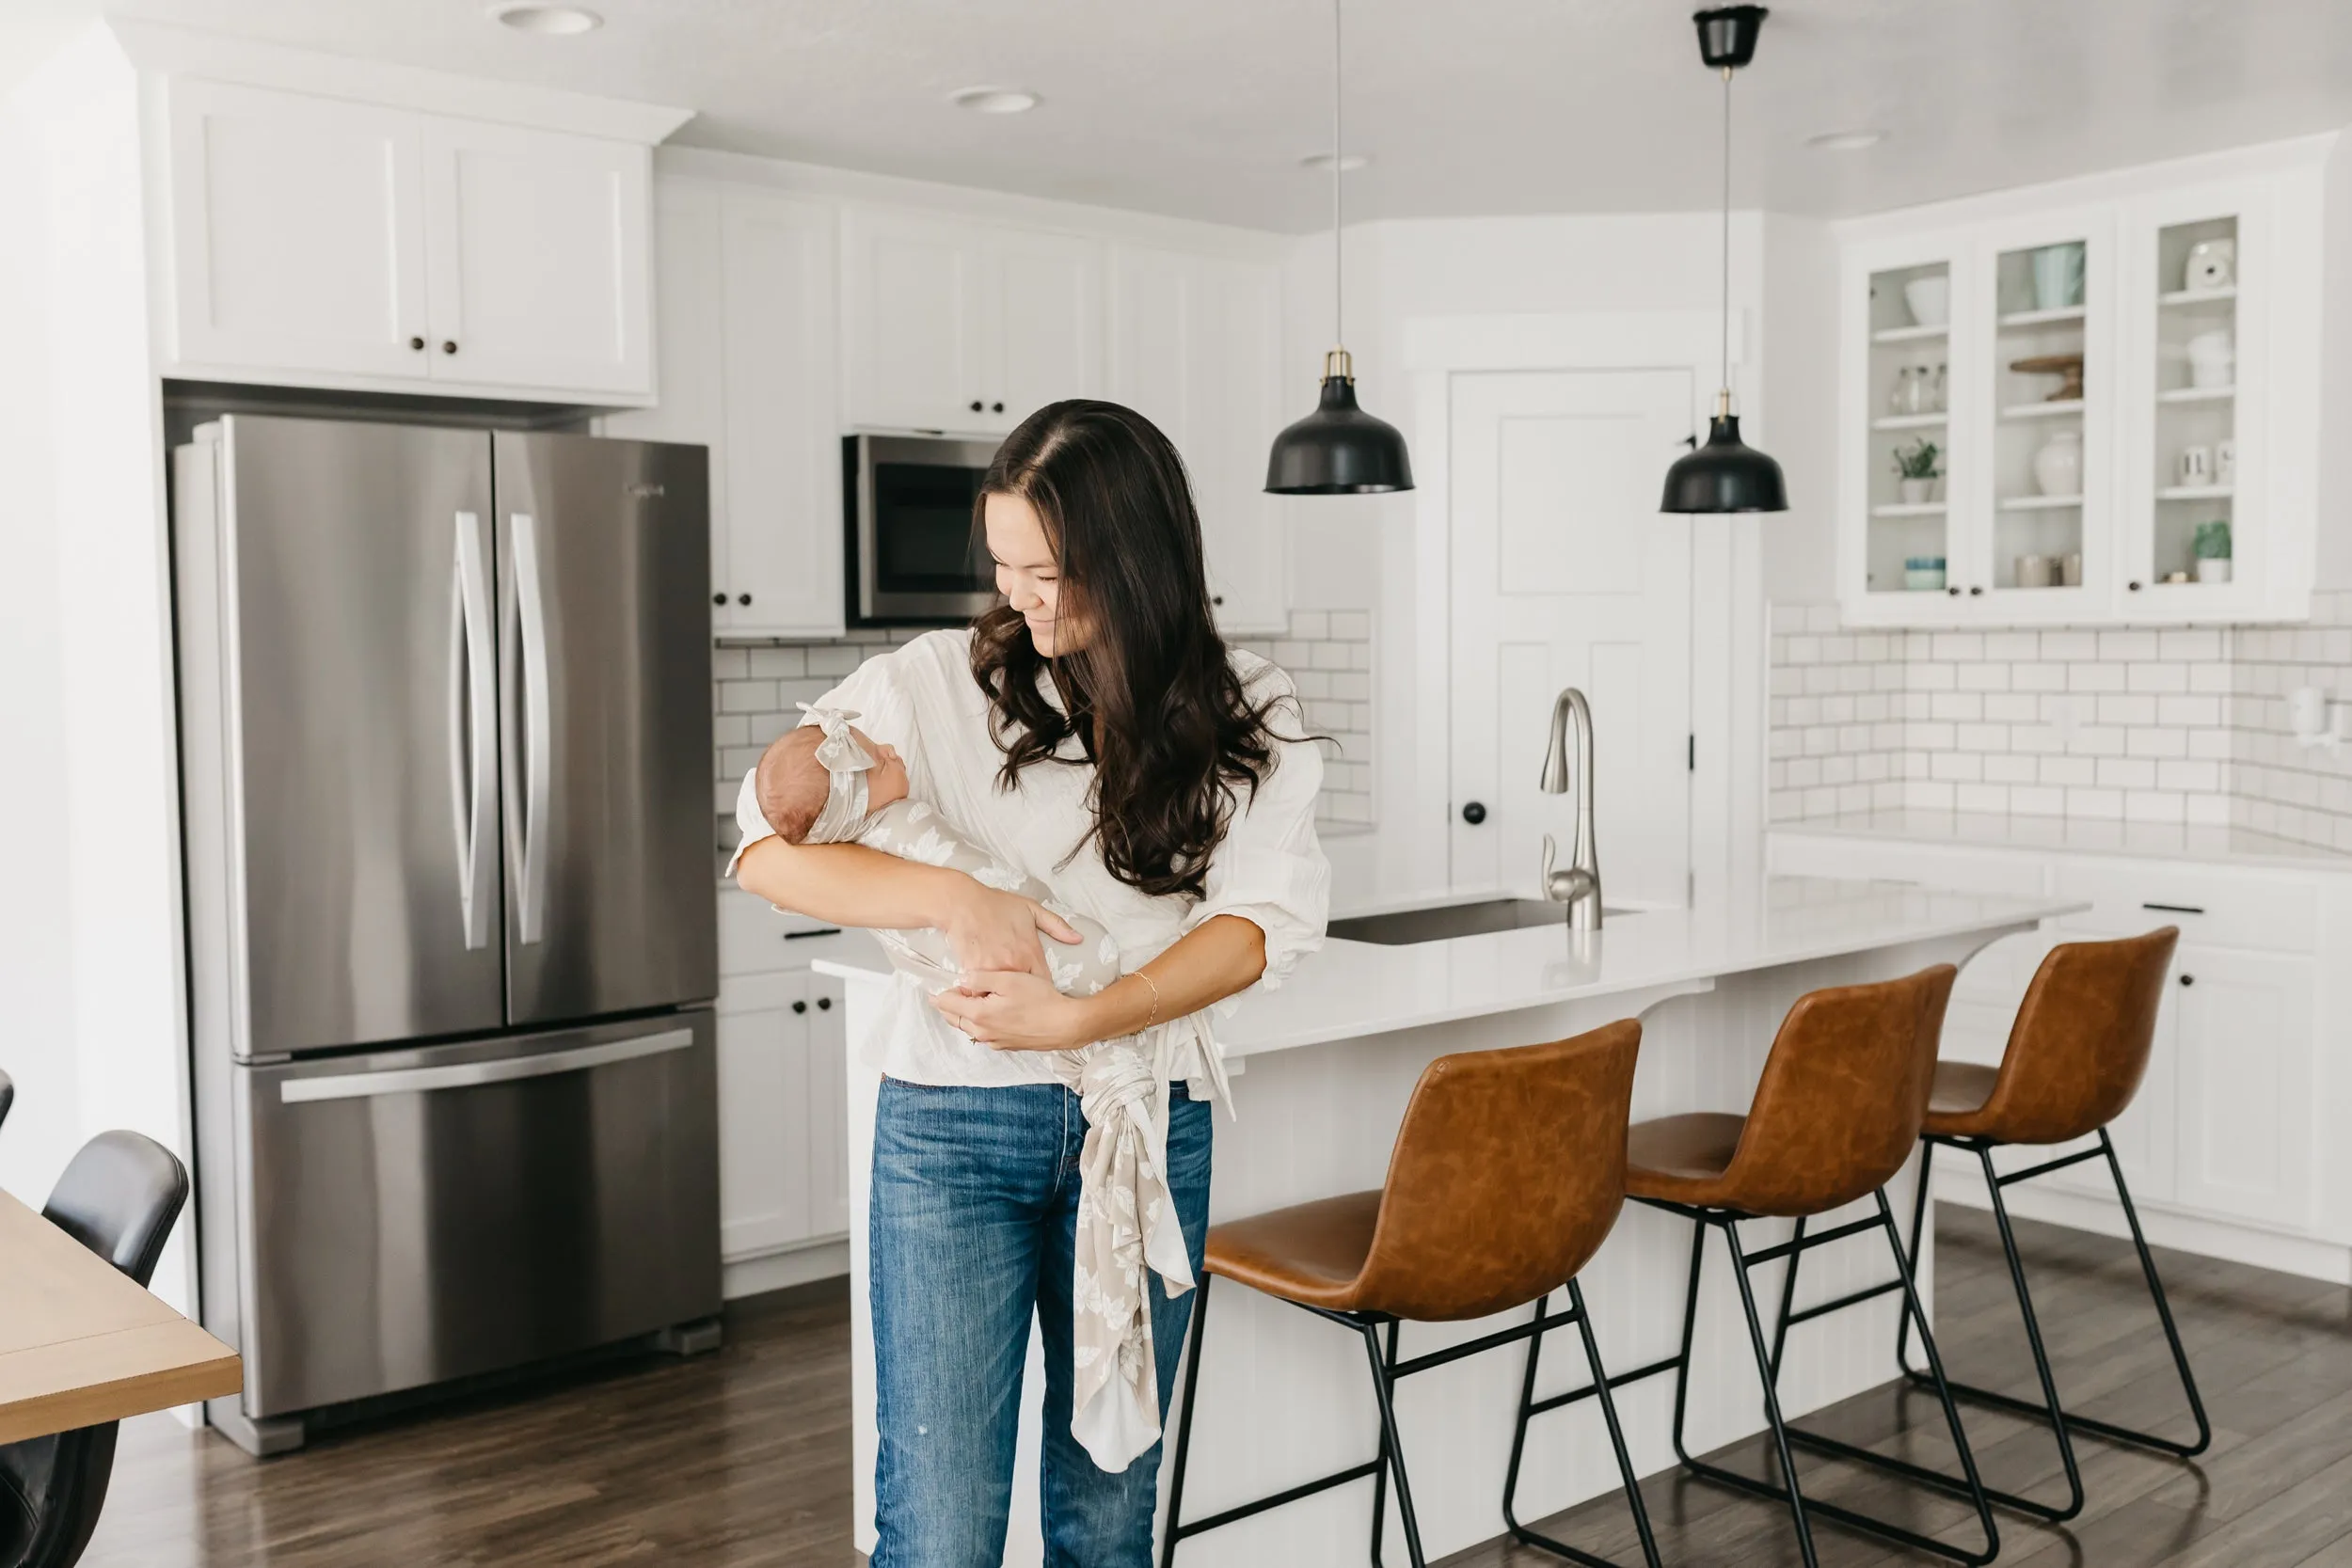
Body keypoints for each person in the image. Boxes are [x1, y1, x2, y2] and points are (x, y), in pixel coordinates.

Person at [732, 399, 1329, 1567]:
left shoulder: (1246, 705)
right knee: (940, 1526)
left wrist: (1085, 1014)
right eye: (1006, 567)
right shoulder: (931, 682)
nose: (1022, 600)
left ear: (1137, 559)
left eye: (1050, 571)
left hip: (1147, 1123)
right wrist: (955, 901)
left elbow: (1258, 926)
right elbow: (765, 847)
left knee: (1108, 1515)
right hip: (949, 1132)